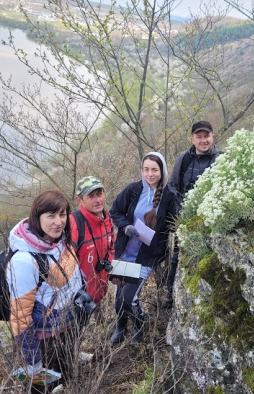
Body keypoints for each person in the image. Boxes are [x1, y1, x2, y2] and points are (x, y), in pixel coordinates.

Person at [7, 189, 86, 389]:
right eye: (51, 216)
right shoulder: (24, 261)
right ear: (37, 217)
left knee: (65, 377)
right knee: (47, 385)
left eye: (62, 215)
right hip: (46, 338)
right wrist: (34, 362)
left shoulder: (58, 241)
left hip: (65, 325)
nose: (58, 222)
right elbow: (20, 318)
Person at [109, 152, 180, 344]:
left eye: (154, 170)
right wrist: (125, 226)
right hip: (125, 253)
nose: (150, 174)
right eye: (146, 169)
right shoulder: (133, 190)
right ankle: (121, 327)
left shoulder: (169, 196)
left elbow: (176, 223)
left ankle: (139, 326)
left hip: (147, 256)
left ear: (162, 171)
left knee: (128, 299)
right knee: (118, 300)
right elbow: (114, 211)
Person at [163, 120, 222, 307]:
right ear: (192, 139)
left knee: (207, 259)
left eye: (207, 136)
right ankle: (170, 295)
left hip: (210, 219)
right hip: (185, 217)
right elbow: (173, 186)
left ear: (213, 136)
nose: (203, 140)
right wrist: (181, 211)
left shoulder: (221, 158)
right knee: (177, 256)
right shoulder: (183, 159)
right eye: (199, 137)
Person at [70, 176, 115, 304]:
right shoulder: (74, 224)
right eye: (91, 196)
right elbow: (66, 264)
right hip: (79, 299)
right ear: (79, 200)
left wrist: (109, 270)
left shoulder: (107, 220)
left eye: (99, 194)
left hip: (100, 291)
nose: (98, 200)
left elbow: (111, 248)